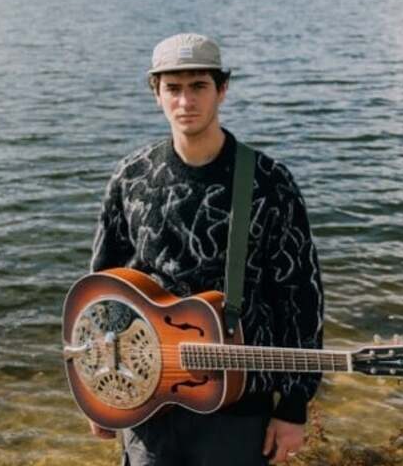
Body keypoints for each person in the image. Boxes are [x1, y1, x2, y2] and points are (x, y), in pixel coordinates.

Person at [88, 32, 324, 466]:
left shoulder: (270, 183)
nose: (185, 101)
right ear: (155, 92)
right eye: (173, 88)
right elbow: (102, 293)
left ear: (223, 90)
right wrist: (98, 386)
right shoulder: (130, 178)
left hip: (237, 404)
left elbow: (300, 297)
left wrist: (292, 406)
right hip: (148, 398)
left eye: (199, 86)